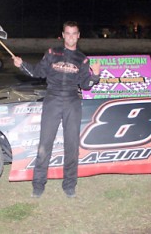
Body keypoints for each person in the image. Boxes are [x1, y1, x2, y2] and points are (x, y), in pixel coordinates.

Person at [12, 21, 101, 198]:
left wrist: (95, 76)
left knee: (72, 145)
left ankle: (69, 185)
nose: (70, 36)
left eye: (74, 33)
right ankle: (38, 185)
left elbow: (86, 85)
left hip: (72, 102)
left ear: (78, 35)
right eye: (67, 33)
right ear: (63, 35)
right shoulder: (52, 53)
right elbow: (38, 72)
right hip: (52, 100)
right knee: (45, 144)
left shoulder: (83, 59)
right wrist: (22, 65)